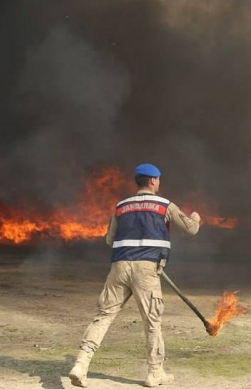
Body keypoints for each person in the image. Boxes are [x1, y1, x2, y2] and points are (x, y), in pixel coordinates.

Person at [69, 163, 201, 387]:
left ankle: (81, 364)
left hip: (119, 268)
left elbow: (109, 239)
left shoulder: (121, 206)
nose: (159, 183)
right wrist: (196, 218)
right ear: (152, 181)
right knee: (152, 321)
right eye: (158, 179)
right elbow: (191, 229)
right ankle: (154, 373)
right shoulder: (164, 205)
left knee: (103, 316)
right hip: (146, 271)